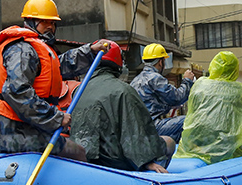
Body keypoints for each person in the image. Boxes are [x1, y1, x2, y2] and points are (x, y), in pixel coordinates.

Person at [0, 0, 103, 159]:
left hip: (26, 128)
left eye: (52, 23)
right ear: (31, 21)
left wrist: (90, 52)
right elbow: (17, 91)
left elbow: (58, 66)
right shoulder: (22, 49)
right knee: (77, 153)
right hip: (10, 131)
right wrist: (55, 117)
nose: (50, 27)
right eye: (44, 22)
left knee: (74, 150)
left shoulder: (37, 49)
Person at [69, 40, 172, 173]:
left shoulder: (78, 91)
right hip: (114, 160)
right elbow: (135, 131)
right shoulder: (123, 90)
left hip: (85, 157)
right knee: (169, 142)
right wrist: (146, 162)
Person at [174, 51, 242, 164]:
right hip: (224, 151)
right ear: (235, 70)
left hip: (191, 147)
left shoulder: (199, 84)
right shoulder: (240, 91)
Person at [131, 43, 195, 140]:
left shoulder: (135, 80)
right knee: (190, 120)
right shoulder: (155, 78)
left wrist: (169, 106)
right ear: (161, 62)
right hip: (152, 128)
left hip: (137, 130)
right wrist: (187, 81)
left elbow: (150, 105)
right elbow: (178, 98)